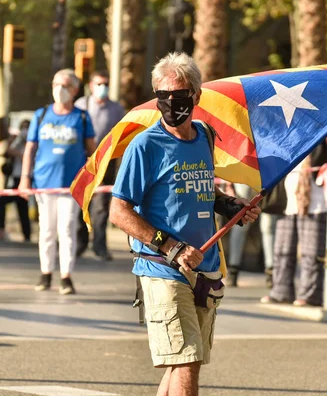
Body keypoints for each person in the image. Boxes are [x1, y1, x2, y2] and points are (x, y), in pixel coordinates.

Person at [108, 52, 260, 396]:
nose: (172, 105)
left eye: (179, 98)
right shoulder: (145, 146)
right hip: (163, 268)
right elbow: (119, 211)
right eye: (163, 98)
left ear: (197, 96)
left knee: (185, 361)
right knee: (187, 359)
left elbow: (201, 186)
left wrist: (229, 204)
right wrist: (171, 246)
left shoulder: (204, 136)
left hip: (204, 270)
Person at [19, 69, 96, 294]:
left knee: (67, 229)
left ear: (73, 90)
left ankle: (66, 276)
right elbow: (30, 147)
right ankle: (45, 273)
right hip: (44, 183)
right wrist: (25, 178)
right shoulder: (41, 115)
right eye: (55, 84)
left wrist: (90, 178)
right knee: (46, 230)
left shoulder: (81, 117)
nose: (58, 89)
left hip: (69, 186)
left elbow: (92, 150)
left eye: (63, 85)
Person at [261, 142, 327, 307]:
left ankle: (310, 294)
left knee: (311, 253)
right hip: (288, 201)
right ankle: (281, 291)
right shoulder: (290, 141)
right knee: (282, 251)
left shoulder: (322, 138)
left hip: (314, 203)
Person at [74, 70, 126, 261]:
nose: (102, 87)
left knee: (102, 205)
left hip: (107, 162)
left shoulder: (116, 109)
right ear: (91, 85)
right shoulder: (81, 105)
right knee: (82, 202)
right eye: (99, 84)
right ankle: (80, 243)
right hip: (85, 161)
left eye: (106, 84)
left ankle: (100, 246)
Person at [0, 119, 32, 242]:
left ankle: (27, 234)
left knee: (24, 207)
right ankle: (25, 233)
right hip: (17, 177)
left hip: (30, 177)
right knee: (19, 205)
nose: (25, 131)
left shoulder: (34, 141)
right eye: (23, 127)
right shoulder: (17, 141)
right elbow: (8, 152)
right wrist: (15, 141)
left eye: (27, 128)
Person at [225, 183, 256, 287]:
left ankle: (271, 270)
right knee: (240, 221)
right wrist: (228, 184)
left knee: (269, 225)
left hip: (265, 172)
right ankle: (233, 270)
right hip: (242, 175)